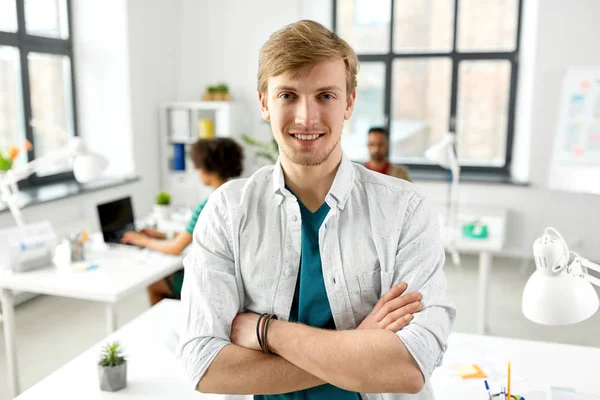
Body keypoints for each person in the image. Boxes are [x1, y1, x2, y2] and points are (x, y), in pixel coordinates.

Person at [177, 20, 455, 399]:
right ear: (264, 103)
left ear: (349, 103)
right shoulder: (227, 211)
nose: (306, 118)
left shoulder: (405, 210)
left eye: (325, 95)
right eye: (288, 95)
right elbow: (205, 366)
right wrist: (357, 348)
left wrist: (266, 332)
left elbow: (408, 366)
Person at [121, 138, 244, 305]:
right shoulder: (238, 196)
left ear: (205, 169)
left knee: (154, 285)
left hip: (211, 282)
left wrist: (142, 240)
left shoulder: (209, 204)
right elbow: (205, 235)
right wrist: (162, 235)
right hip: (234, 279)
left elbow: (175, 248)